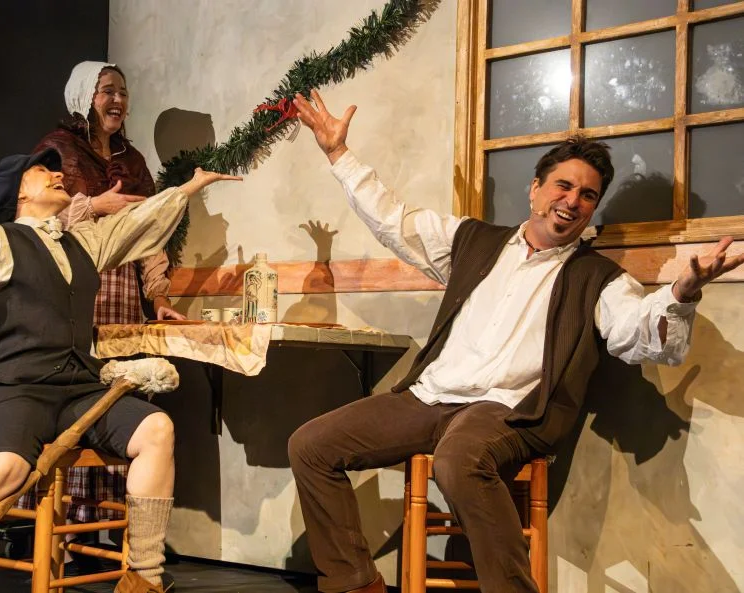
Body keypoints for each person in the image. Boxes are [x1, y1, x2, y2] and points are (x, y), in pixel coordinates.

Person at [286, 89, 744, 593]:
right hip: (431, 395)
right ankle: (356, 584)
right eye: (563, 186)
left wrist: (682, 292)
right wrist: (338, 152)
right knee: (311, 445)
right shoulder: (472, 241)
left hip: (511, 410)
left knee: (459, 460)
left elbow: (639, 336)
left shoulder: (598, 278)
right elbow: (394, 221)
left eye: (587, 195)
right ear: (535, 189)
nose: (572, 201)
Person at [0, 147, 240, 593]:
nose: (57, 175)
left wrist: (188, 188)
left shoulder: (83, 241)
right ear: (16, 194)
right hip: (16, 388)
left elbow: (137, 223)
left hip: (79, 389)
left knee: (157, 429)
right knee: (2, 470)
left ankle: (143, 579)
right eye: (41, 171)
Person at [14, 60, 183, 557]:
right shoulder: (58, 150)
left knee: (118, 395)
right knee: (78, 392)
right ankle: (59, 530)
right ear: (84, 96)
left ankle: (110, 525)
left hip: (122, 293)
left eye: (123, 92)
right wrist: (94, 206)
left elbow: (150, 232)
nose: (118, 100)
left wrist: (159, 296)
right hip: (75, 283)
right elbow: (34, 217)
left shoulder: (133, 161)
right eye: (107, 91)